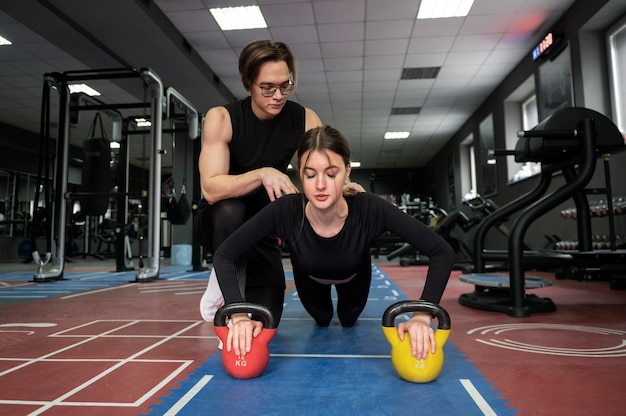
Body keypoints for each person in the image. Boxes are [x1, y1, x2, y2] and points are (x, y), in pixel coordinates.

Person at [212, 124, 456, 360]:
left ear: (347, 171)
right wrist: (240, 313)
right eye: (310, 174)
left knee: (348, 320)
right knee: (323, 319)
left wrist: (423, 314)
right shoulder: (285, 211)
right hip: (309, 280)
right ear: (300, 174)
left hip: (354, 278)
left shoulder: (369, 208)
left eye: (331, 174)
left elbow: (441, 251)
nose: (320, 185)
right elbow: (225, 255)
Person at [196, 40, 322, 322]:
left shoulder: (304, 118)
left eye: (285, 85)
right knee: (232, 209)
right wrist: (263, 173)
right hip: (220, 223)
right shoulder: (222, 118)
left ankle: (238, 287)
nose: (278, 95)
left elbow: (323, 168)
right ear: (248, 83)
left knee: (268, 318)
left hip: (263, 226)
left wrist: (344, 185)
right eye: (267, 87)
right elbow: (211, 189)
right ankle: (226, 286)